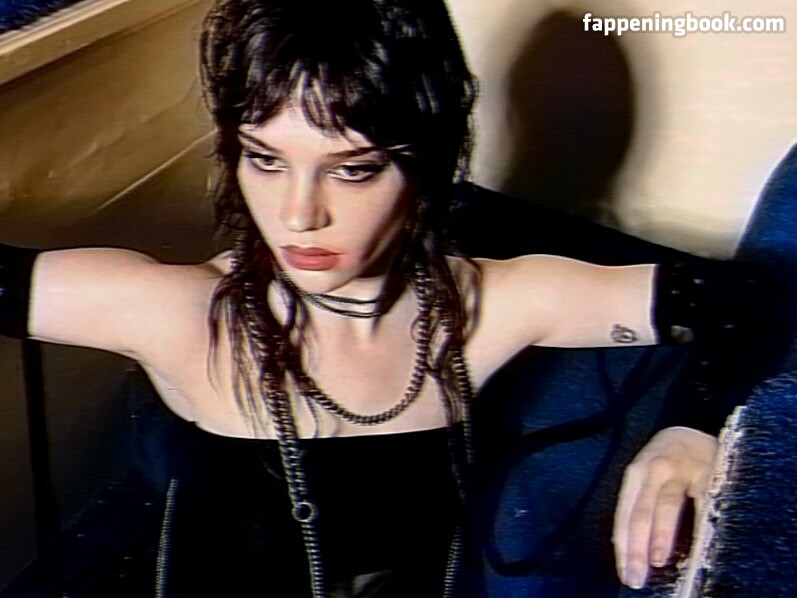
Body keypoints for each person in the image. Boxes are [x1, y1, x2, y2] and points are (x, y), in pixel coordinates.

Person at [0, 0, 759, 595]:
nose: (299, 214)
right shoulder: (178, 315)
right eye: (264, 159)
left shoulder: (492, 305)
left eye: (353, 169)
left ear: (425, 161)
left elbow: (741, 301)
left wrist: (687, 432)